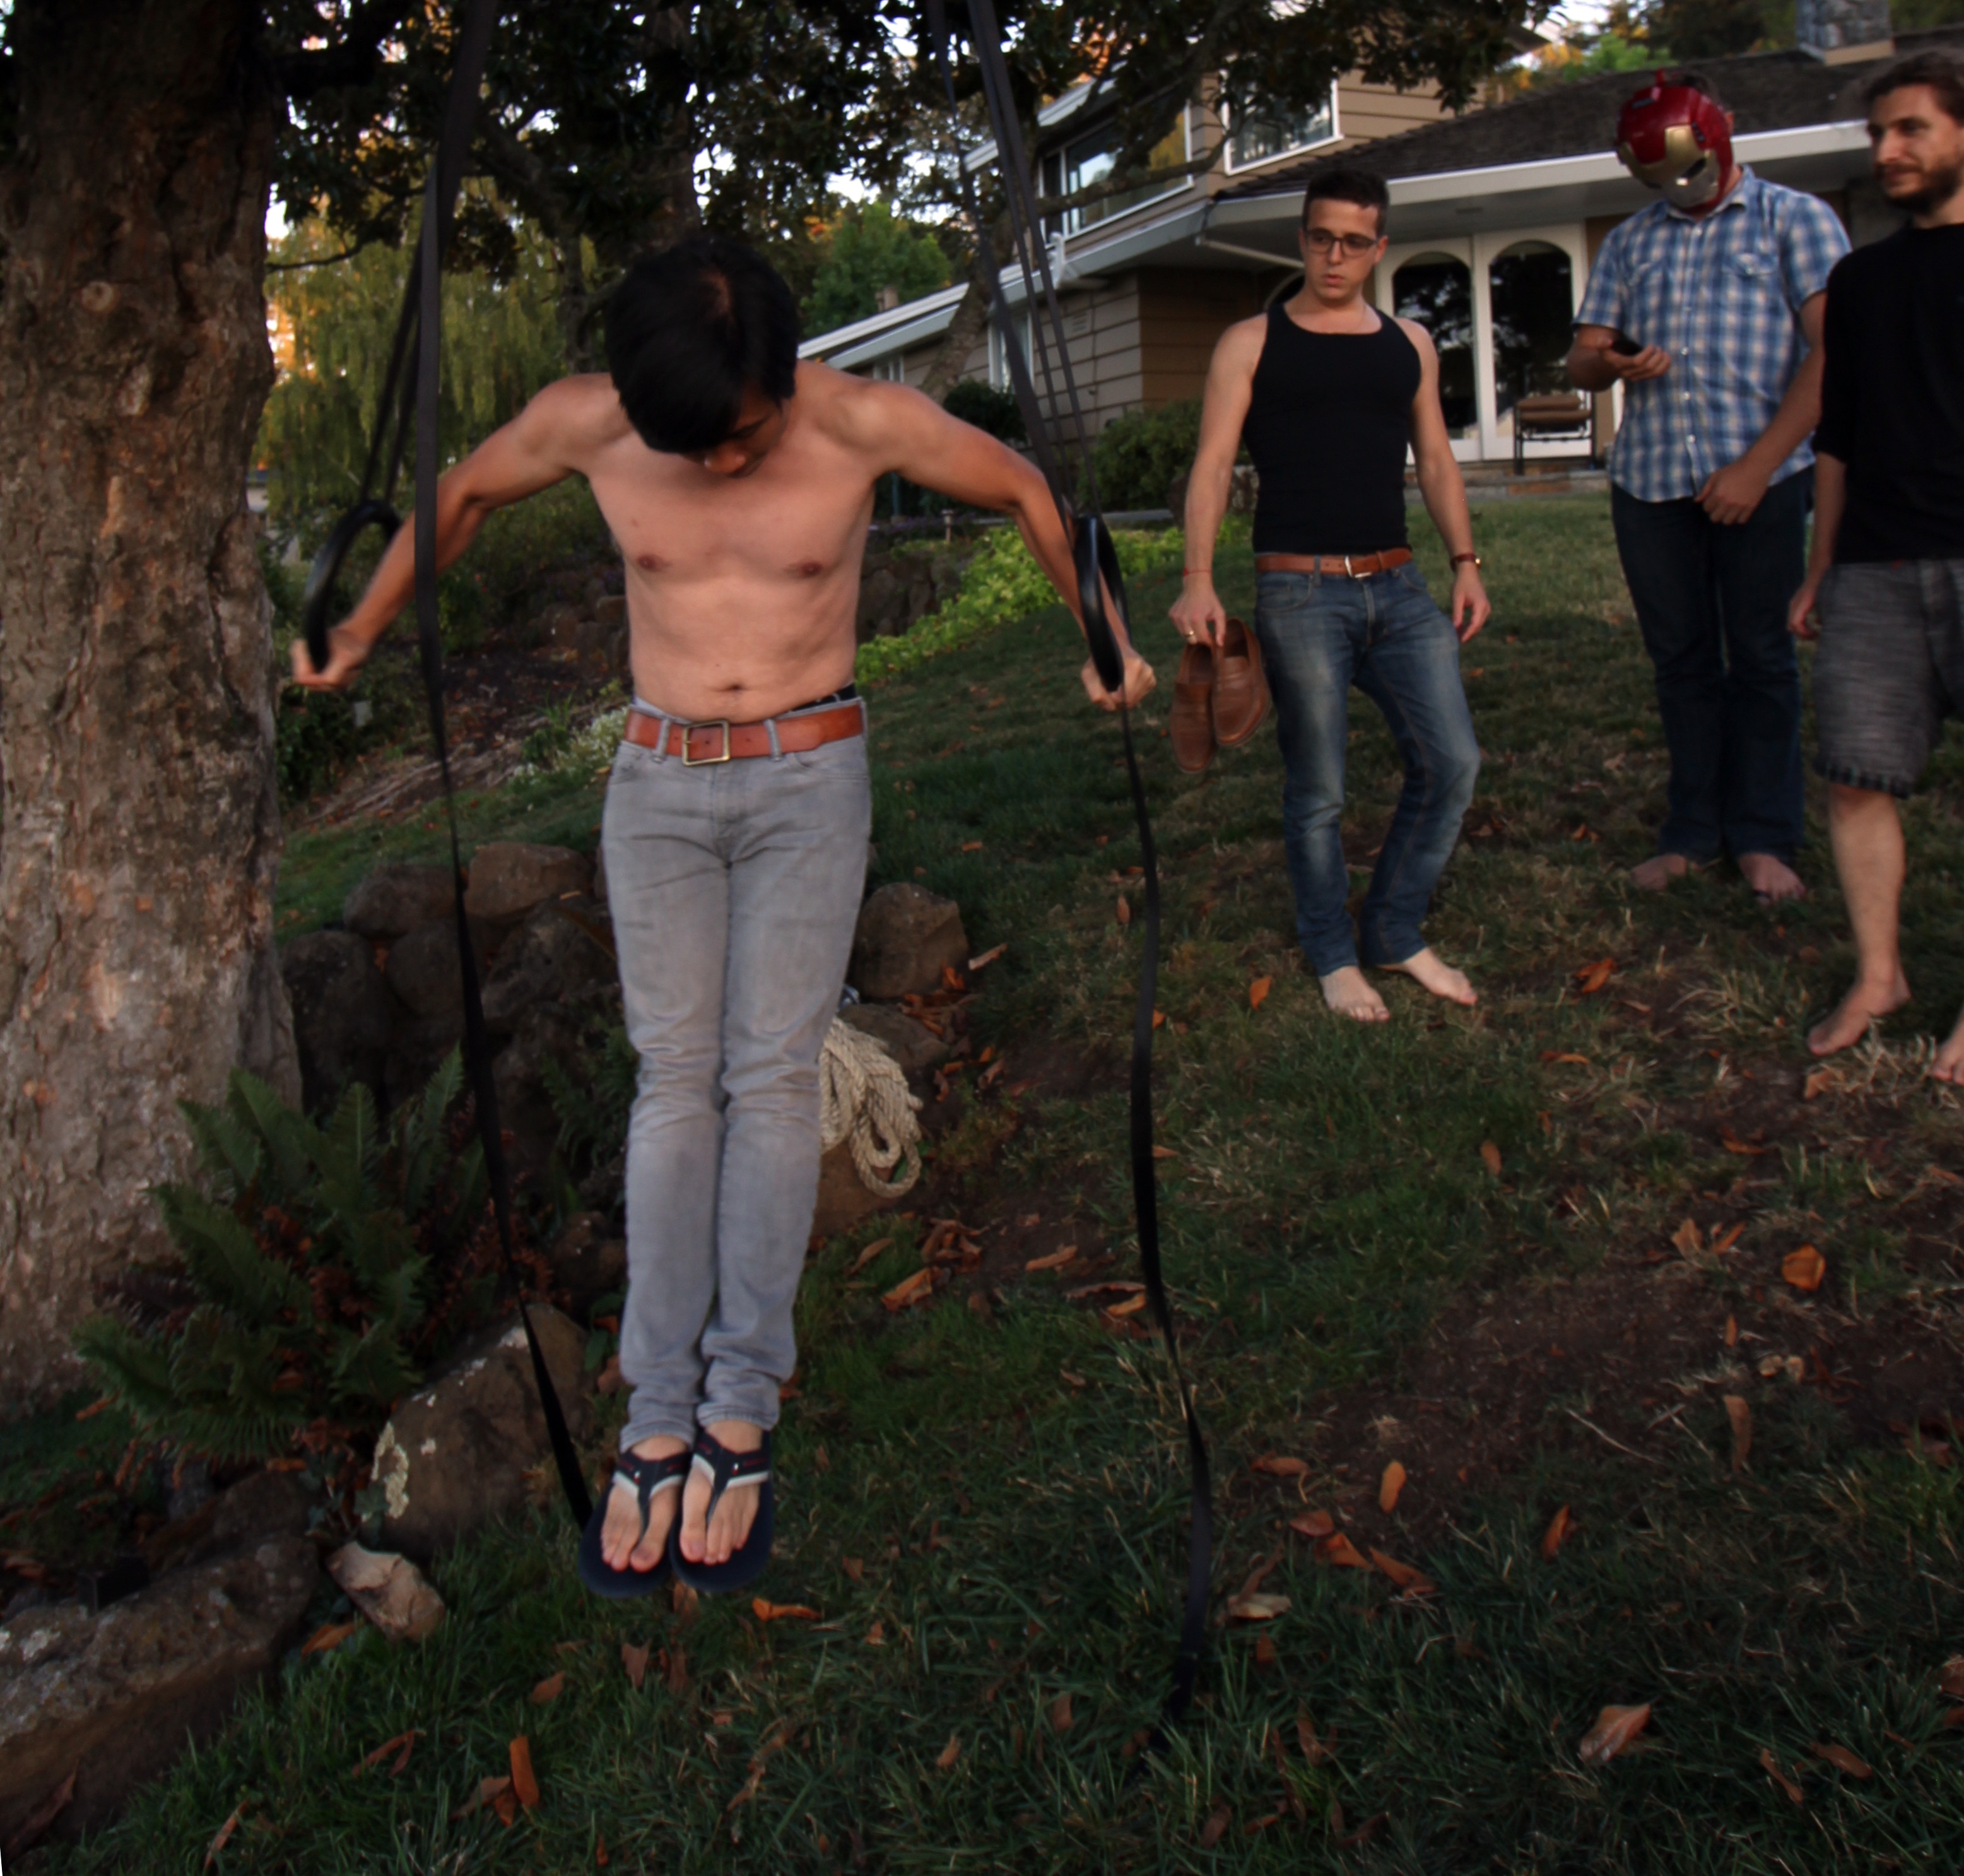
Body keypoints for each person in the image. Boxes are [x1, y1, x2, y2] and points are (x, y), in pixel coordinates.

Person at [293, 232, 1152, 1594]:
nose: (725, 461)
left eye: (744, 435)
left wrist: (1102, 629)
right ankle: (654, 1413)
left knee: (768, 1080)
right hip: (658, 785)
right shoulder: (590, 422)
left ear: (784, 373)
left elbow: (1024, 486)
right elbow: (459, 499)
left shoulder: (860, 422)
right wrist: (358, 627)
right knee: (673, 1085)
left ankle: (741, 1399)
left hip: (810, 781)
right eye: (694, 443)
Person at [1171, 161, 1491, 1024]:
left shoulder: (1409, 343)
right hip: (1299, 592)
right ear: (1302, 240)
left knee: (1452, 762)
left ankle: (1392, 928)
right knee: (1318, 790)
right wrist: (1197, 578)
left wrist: (1465, 561)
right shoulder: (1251, 342)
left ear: (1379, 248)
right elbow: (1212, 466)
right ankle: (1331, 951)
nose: (1335, 256)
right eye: (1321, 239)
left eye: (1354, 242)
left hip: (1400, 586)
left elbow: (1435, 460)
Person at [1568, 71, 1848, 904]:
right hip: (1650, 482)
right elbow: (1583, 359)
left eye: (1685, 171)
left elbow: (1835, 352)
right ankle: (1692, 831)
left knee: (1760, 658)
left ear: (1719, 136)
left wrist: (1757, 467)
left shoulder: (1794, 218)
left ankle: (1764, 834)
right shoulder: (1630, 241)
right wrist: (1611, 360)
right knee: (1682, 663)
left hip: (1763, 477)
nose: (1676, 189)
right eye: (1654, 179)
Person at [1787, 50, 1964, 1071]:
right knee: (1855, 779)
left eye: (1910, 129)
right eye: (1876, 134)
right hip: (1875, 567)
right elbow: (1837, 438)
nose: (1887, 150)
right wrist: (1820, 569)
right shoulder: (1859, 279)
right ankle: (1878, 974)